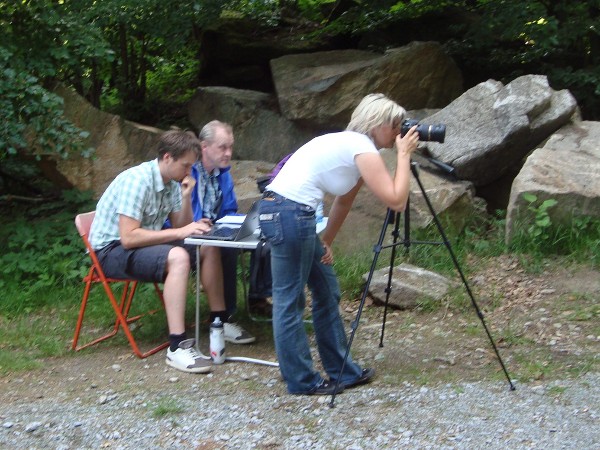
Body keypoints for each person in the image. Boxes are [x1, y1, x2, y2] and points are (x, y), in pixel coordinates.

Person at [258, 93, 420, 395]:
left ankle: (342, 371)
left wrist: (327, 240)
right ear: (376, 123)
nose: (399, 131)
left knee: (326, 290)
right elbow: (397, 201)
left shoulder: (353, 148)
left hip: (292, 215)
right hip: (289, 214)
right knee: (289, 300)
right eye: (395, 125)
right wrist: (403, 155)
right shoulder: (360, 146)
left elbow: (344, 201)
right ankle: (301, 380)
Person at [88, 130, 233, 374]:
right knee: (178, 257)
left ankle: (220, 322)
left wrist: (186, 197)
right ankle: (177, 347)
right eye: (185, 165)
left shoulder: (173, 183)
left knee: (207, 245)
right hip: (111, 251)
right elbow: (129, 237)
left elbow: (180, 226)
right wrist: (180, 233)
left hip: (140, 245)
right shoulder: (138, 181)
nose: (189, 172)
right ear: (167, 157)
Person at [192, 120, 270, 321]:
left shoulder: (222, 172)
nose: (228, 153)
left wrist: (248, 221)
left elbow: (229, 210)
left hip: (216, 228)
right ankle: (224, 315)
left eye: (230, 147)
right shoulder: (189, 171)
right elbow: (186, 216)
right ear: (204, 147)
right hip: (193, 233)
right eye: (222, 147)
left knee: (265, 234)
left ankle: (257, 298)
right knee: (226, 247)